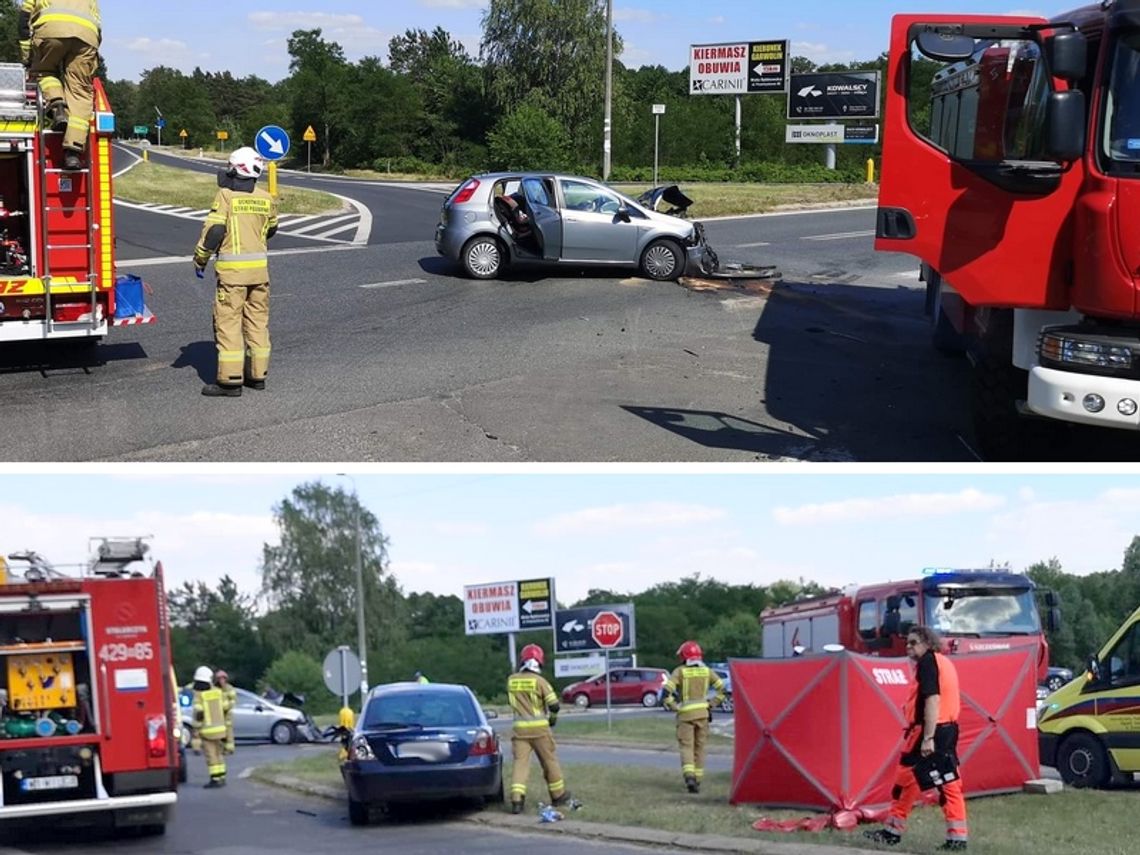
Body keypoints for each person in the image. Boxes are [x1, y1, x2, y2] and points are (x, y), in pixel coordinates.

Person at [864, 626, 968, 851]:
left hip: (928, 730)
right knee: (948, 782)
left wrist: (927, 737)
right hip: (947, 729)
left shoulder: (928, 663)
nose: (908, 647)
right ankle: (957, 837)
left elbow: (932, 699)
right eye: (908, 643)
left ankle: (893, 832)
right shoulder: (943, 662)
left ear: (927, 643)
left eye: (913, 643)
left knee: (905, 780)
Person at [193, 146, 279, 397]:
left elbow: (215, 232)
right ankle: (257, 375)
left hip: (233, 276)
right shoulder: (266, 198)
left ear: (237, 169)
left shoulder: (226, 196)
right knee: (257, 324)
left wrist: (200, 258)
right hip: (260, 275)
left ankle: (230, 381)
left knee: (229, 323)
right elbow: (272, 229)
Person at [18, 0, 101, 172]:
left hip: (51, 30)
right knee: (80, 91)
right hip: (87, 36)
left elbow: (24, 20)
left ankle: (58, 109)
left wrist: (28, 57)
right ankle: (73, 152)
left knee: (43, 72)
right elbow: (97, 22)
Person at [506, 643, 572, 815]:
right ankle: (558, 795)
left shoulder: (511, 680)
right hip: (540, 730)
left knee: (520, 764)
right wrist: (553, 719)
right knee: (549, 762)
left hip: (519, 731)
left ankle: (517, 799)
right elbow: (554, 705)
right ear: (539, 661)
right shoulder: (540, 681)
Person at [662, 640, 725, 793]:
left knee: (686, 747)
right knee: (700, 748)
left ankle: (689, 776)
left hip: (685, 716)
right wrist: (712, 704)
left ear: (684, 657)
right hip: (703, 715)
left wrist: (673, 706)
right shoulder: (707, 671)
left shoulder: (680, 671)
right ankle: (697, 779)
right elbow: (723, 690)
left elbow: (666, 692)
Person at [191, 665, 228, 788]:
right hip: (221, 730)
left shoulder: (199, 696)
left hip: (207, 731)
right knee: (219, 754)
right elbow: (226, 707)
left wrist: (196, 729)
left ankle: (215, 779)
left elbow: (199, 715)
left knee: (211, 755)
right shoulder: (218, 692)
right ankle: (222, 777)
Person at [213, 669, 237, 754]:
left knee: (228, 731)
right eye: (219, 679)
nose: (221, 680)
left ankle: (229, 748)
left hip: (227, 713)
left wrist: (227, 708)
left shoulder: (229, 688)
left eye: (223, 678)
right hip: (217, 713)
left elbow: (233, 701)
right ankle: (222, 748)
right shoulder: (214, 689)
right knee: (219, 731)